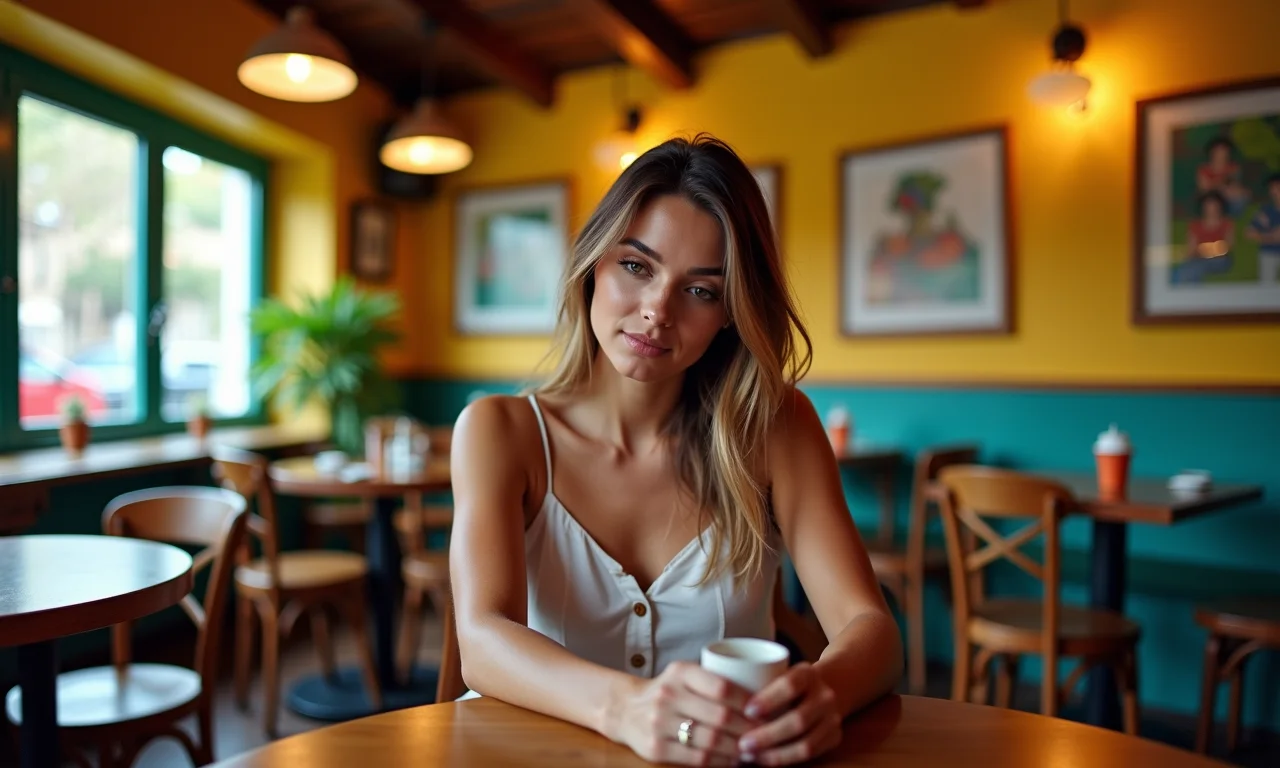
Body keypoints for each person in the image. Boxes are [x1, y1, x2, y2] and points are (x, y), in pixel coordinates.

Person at [450, 134, 902, 767]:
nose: (656, 311)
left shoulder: (775, 426)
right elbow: (481, 638)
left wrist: (822, 691)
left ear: (730, 313)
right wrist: (625, 708)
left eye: (701, 290)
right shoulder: (500, 431)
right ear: (594, 266)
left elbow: (872, 632)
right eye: (637, 266)